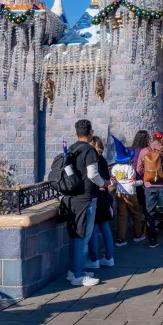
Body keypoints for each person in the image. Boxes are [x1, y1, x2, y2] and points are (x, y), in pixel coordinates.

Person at [64, 119, 104, 287]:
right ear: (91, 133)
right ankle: (79, 275)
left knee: (76, 235)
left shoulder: (72, 149)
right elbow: (93, 174)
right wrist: (104, 184)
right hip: (86, 197)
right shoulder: (89, 150)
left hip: (72, 196)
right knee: (83, 235)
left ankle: (73, 271)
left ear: (76, 133)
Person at [137, 131, 163, 248]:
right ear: (162, 140)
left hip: (149, 186)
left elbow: (138, 169)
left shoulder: (144, 151)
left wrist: (148, 176)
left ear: (152, 139)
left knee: (150, 212)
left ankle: (152, 240)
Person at [87, 138, 115, 268]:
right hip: (104, 197)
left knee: (92, 229)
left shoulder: (92, 161)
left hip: (94, 197)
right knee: (105, 228)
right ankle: (109, 257)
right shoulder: (103, 160)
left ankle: (94, 259)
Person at [111, 142, 145, 245]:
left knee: (121, 216)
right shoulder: (129, 168)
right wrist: (142, 182)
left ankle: (120, 239)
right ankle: (137, 235)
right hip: (130, 193)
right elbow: (132, 183)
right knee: (135, 214)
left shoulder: (114, 168)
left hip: (119, 193)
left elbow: (113, 182)